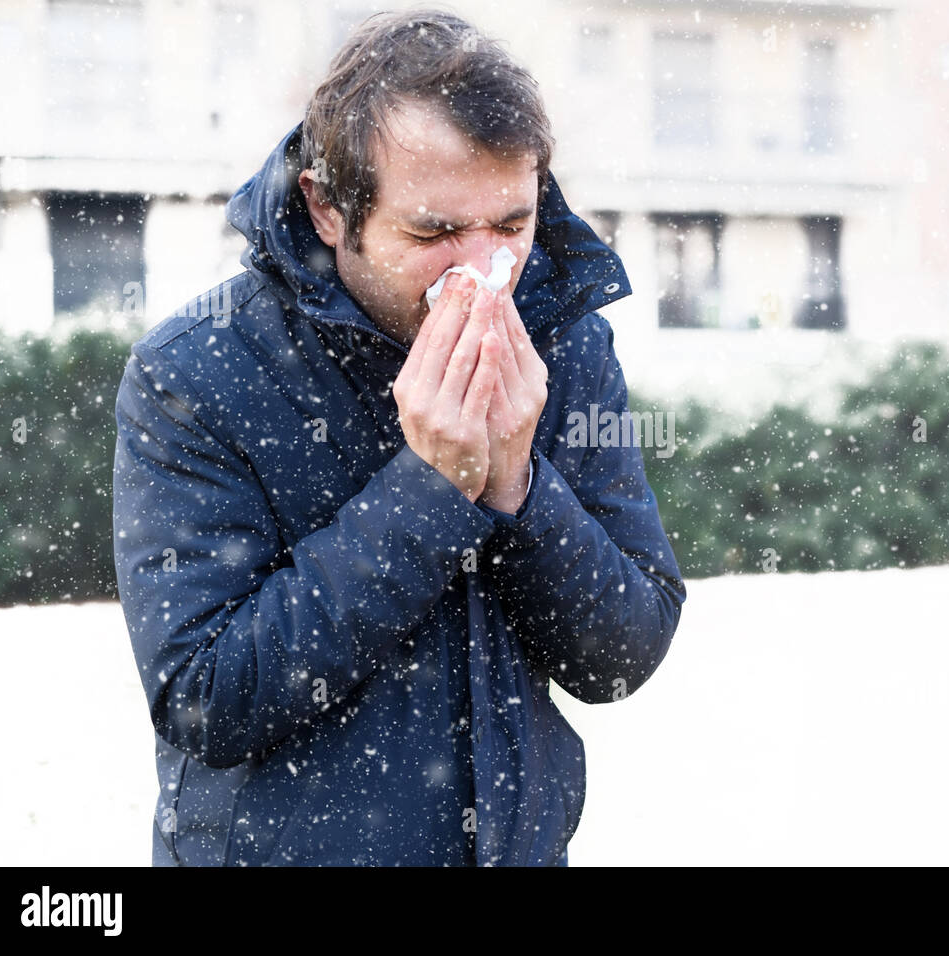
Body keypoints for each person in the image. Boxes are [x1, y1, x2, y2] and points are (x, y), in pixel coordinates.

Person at [111, 9, 685, 867]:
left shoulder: (562, 341)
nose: (485, 268)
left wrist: (516, 486)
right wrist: (429, 488)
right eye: (435, 231)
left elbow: (621, 655)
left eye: (512, 225)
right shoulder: (196, 373)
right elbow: (206, 699)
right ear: (329, 209)